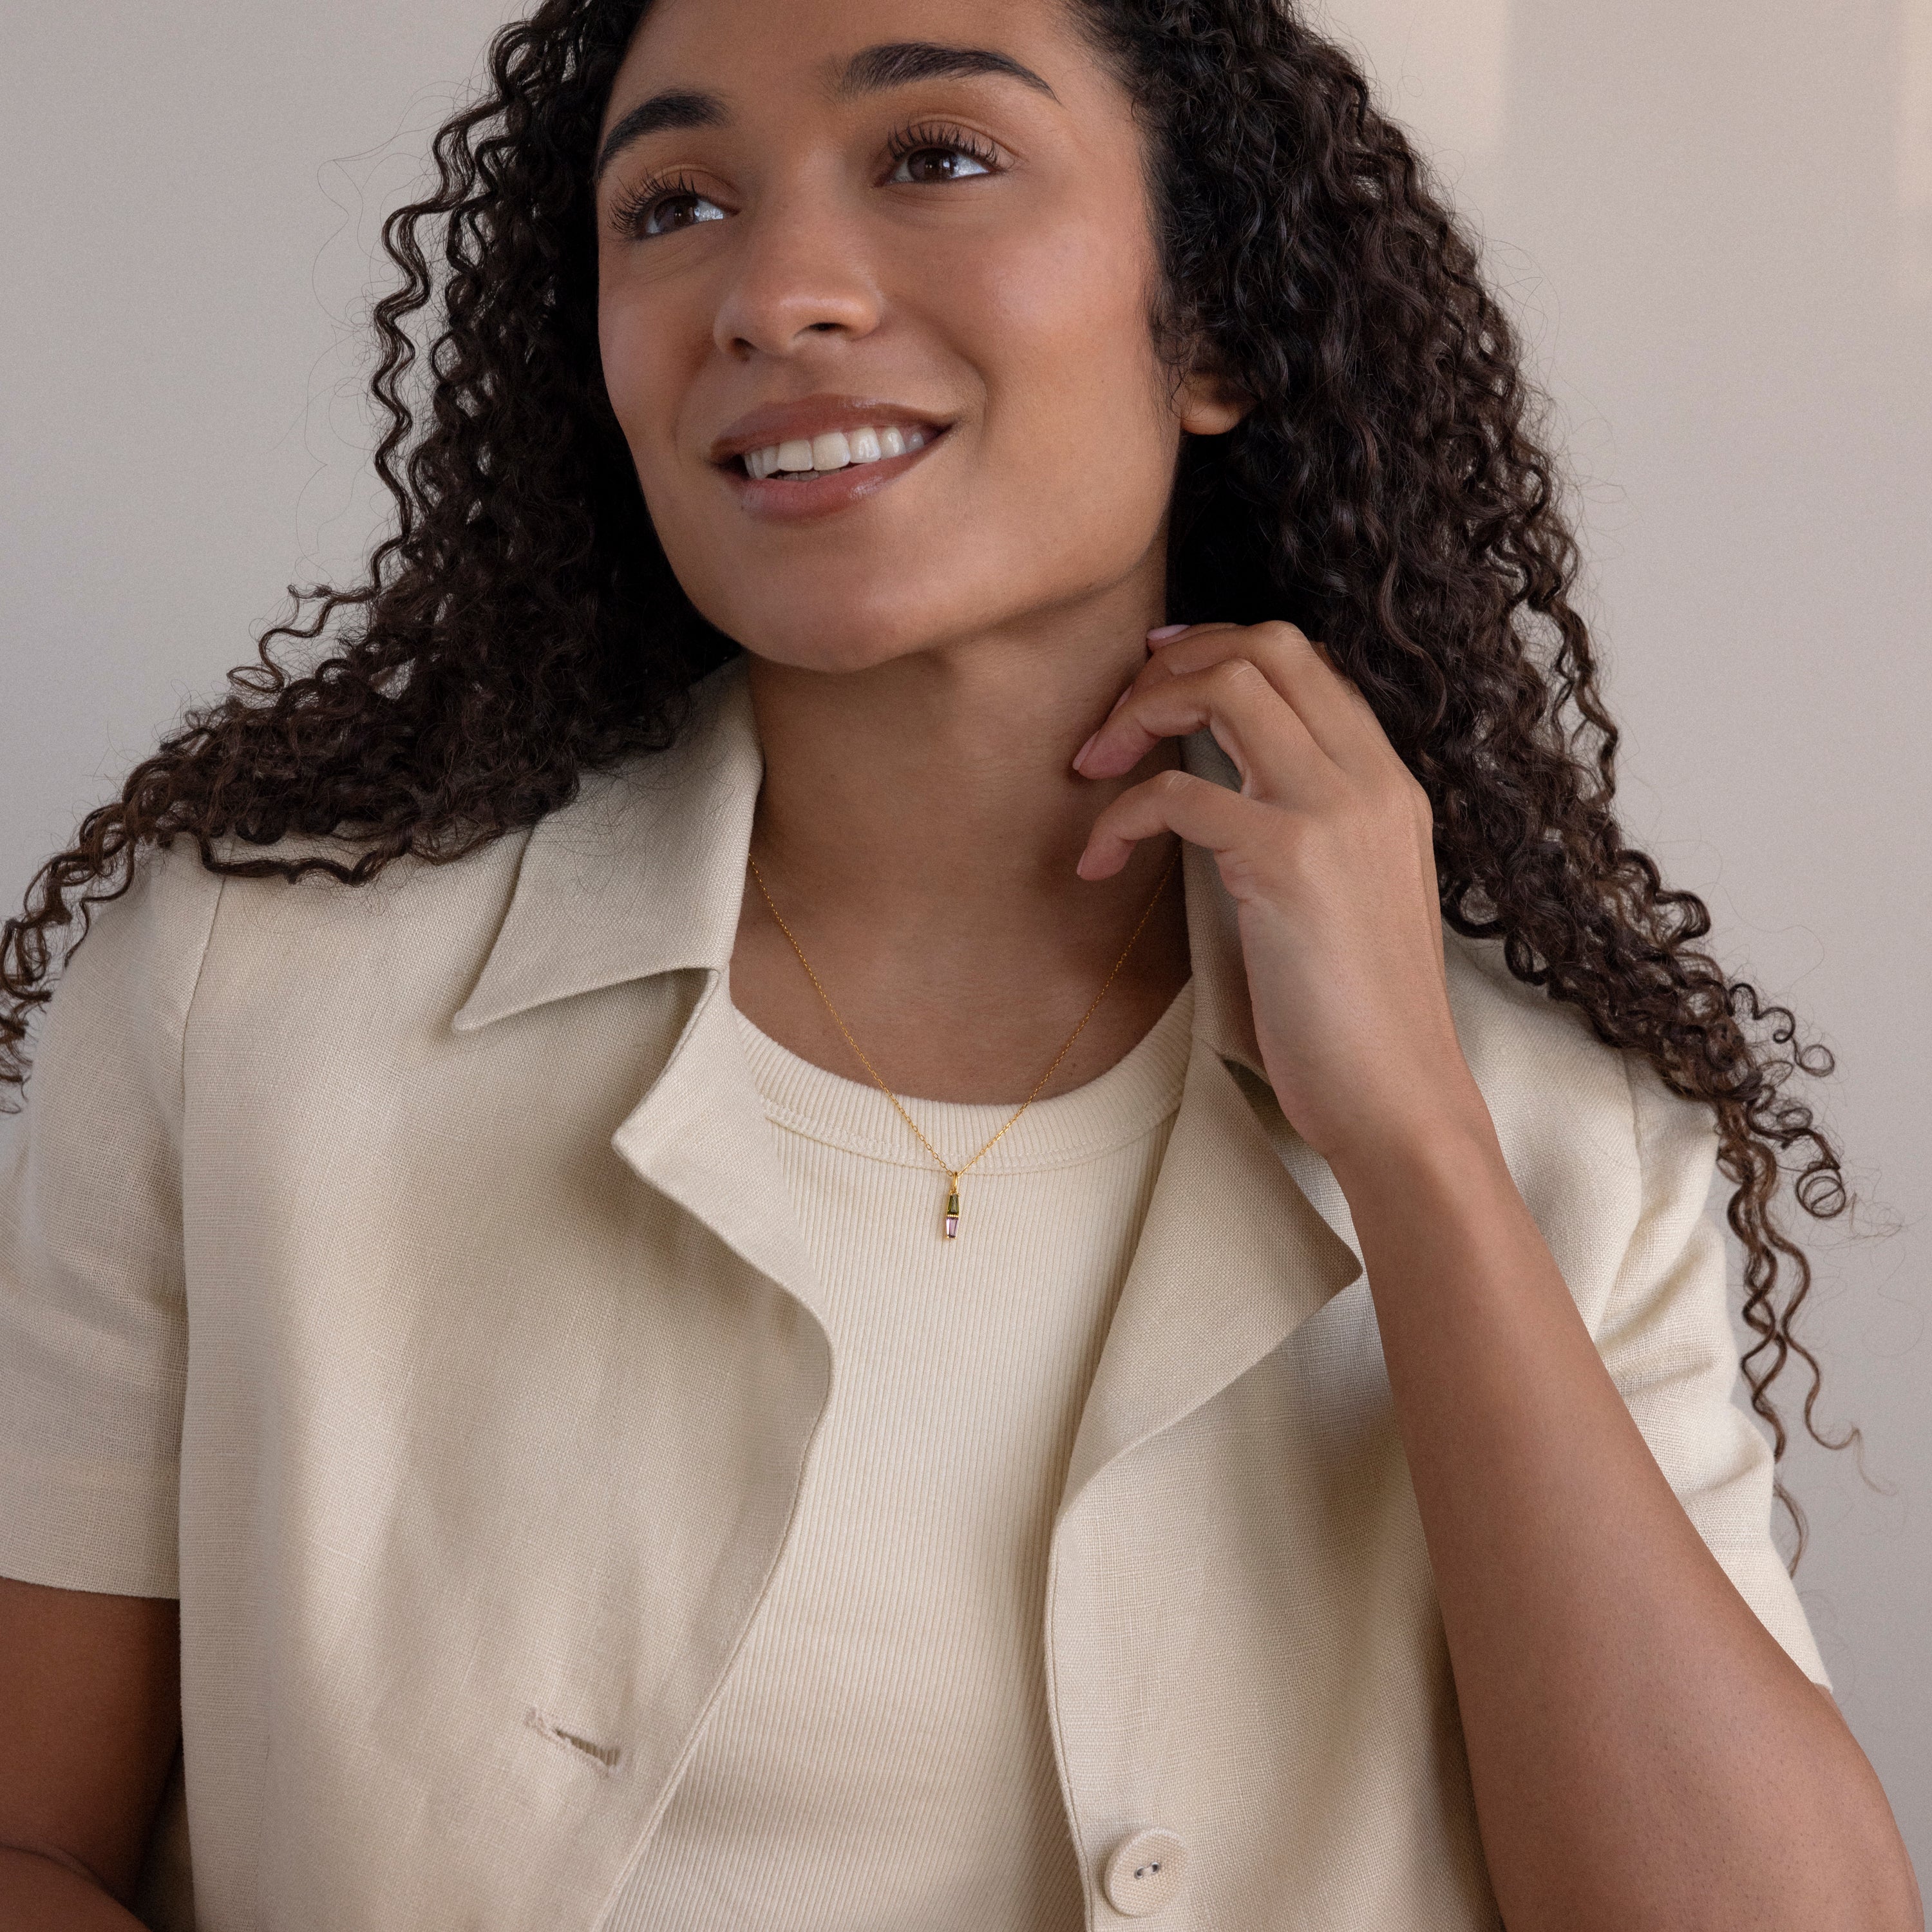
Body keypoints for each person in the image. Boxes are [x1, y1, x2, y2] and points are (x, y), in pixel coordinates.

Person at [0, 0, 1920, 1927]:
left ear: (1219, 325)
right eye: (673, 204)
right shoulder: (244, 993)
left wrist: (1418, 1146)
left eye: (933, 157)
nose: (778, 290)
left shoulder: (1555, 1125)